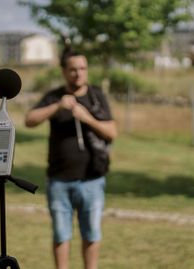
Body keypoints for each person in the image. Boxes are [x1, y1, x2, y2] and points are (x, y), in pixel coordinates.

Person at [24, 47, 117, 269]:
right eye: (73, 69)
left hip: (92, 179)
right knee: (60, 234)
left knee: (92, 233)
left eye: (83, 68)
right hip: (59, 180)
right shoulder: (54, 96)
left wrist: (87, 118)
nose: (79, 73)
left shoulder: (96, 96)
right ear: (64, 72)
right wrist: (57, 107)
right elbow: (29, 119)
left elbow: (112, 132)